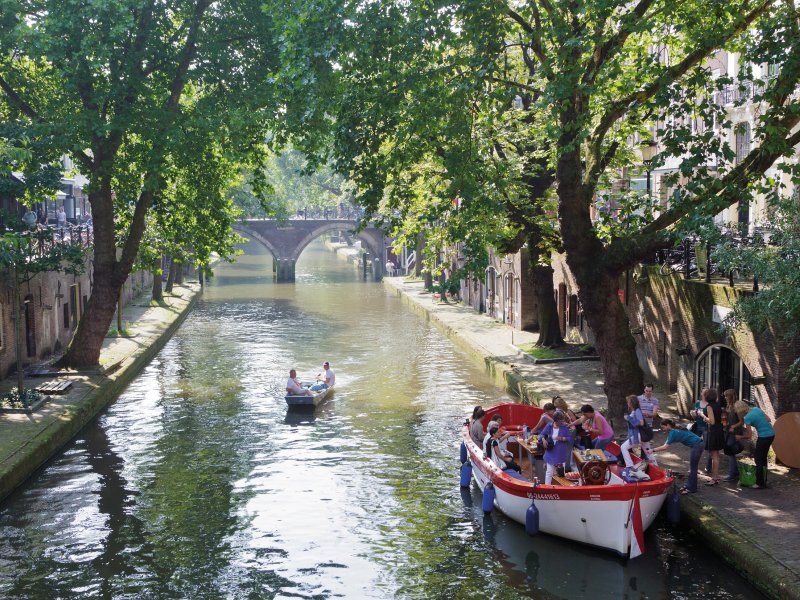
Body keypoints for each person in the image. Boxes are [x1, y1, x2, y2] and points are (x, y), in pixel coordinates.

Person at [652, 418, 704, 494]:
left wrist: (652, 450)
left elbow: (665, 447)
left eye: (663, 427)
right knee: (692, 468)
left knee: (693, 468)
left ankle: (692, 488)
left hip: (697, 445)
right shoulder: (676, 430)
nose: (663, 429)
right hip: (698, 444)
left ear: (668, 425)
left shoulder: (673, 432)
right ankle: (688, 485)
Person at [740, 402, 775, 489]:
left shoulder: (747, 418)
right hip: (771, 434)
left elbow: (749, 435)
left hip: (763, 436)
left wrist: (739, 437)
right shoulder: (756, 409)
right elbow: (769, 419)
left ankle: (759, 483)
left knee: (758, 458)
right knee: (763, 457)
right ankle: (763, 480)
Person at [620, 395, 656, 467]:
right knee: (648, 452)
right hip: (640, 435)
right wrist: (629, 418)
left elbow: (641, 422)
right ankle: (656, 466)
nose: (627, 403)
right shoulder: (635, 411)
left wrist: (629, 418)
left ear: (631, 403)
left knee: (623, 447)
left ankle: (629, 466)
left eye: (628, 402)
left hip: (638, 435)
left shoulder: (637, 411)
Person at [701, 388, 725, 486]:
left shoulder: (709, 407)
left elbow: (712, 421)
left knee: (714, 455)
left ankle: (714, 477)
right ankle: (716, 475)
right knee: (716, 455)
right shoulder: (718, 405)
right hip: (719, 431)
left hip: (713, 432)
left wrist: (702, 415)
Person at [541, 410, 571, 484]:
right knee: (549, 472)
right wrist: (543, 440)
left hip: (560, 452)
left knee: (561, 473)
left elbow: (569, 438)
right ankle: (547, 488)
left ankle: (562, 489)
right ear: (555, 420)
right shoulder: (549, 425)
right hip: (550, 451)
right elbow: (542, 434)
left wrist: (562, 438)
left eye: (562, 421)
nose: (561, 423)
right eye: (560, 421)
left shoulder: (565, 427)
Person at [722, 389, 744, 482]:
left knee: (730, 452)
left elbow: (741, 421)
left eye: (727, 396)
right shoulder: (728, 406)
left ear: (731, 396)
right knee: (730, 452)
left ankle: (732, 475)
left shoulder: (737, 407)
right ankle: (735, 473)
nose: (725, 397)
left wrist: (733, 426)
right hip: (728, 431)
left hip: (735, 433)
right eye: (725, 396)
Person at [690, 390, 712, 474]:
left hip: (706, 427)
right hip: (698, 426)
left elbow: (710, 418)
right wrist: (693, 414)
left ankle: (708, 468)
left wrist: (702, 415)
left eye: (704, 394)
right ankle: (694, 467)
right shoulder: (697, 403)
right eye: (702, 393)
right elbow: (695, 417)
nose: (702, 395)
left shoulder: (709, 405)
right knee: (695, 446)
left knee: (708, 447)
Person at [637, 384, 659, 466]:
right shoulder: (638, 398)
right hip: (639, 424)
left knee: (645, 441)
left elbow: (654, 414)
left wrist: (648, 415)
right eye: (647, 391)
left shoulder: (655, 401)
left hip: (648, 425)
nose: (648, 393)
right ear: (644, 390)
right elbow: (635, 410)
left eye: (650, 391)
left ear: (652, 391)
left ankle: (644, 458)